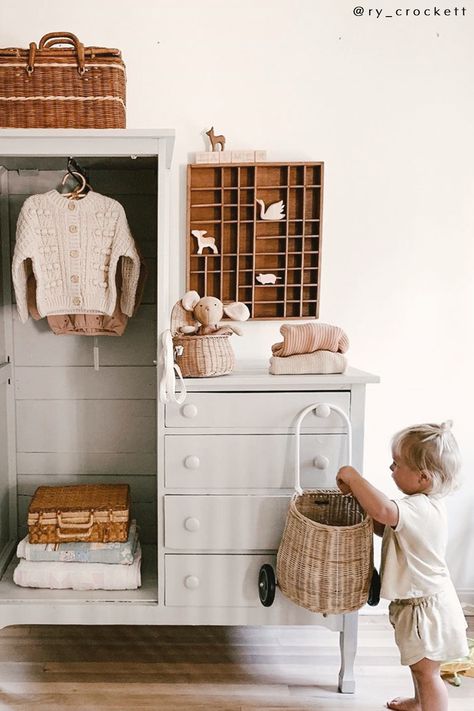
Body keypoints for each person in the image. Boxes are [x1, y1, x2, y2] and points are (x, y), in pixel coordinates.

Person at [336, 421, 468, 711]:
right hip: (419, 604)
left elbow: (384, 510)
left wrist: (352, 476)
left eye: (397, 464)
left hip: (426, 609)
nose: (391, 469)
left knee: (428, 672)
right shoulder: (422, 506)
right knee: (419, 666)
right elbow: (387, 526)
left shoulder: (419, 508)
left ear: (422, 477)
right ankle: (420, 702)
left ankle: (429, 704)